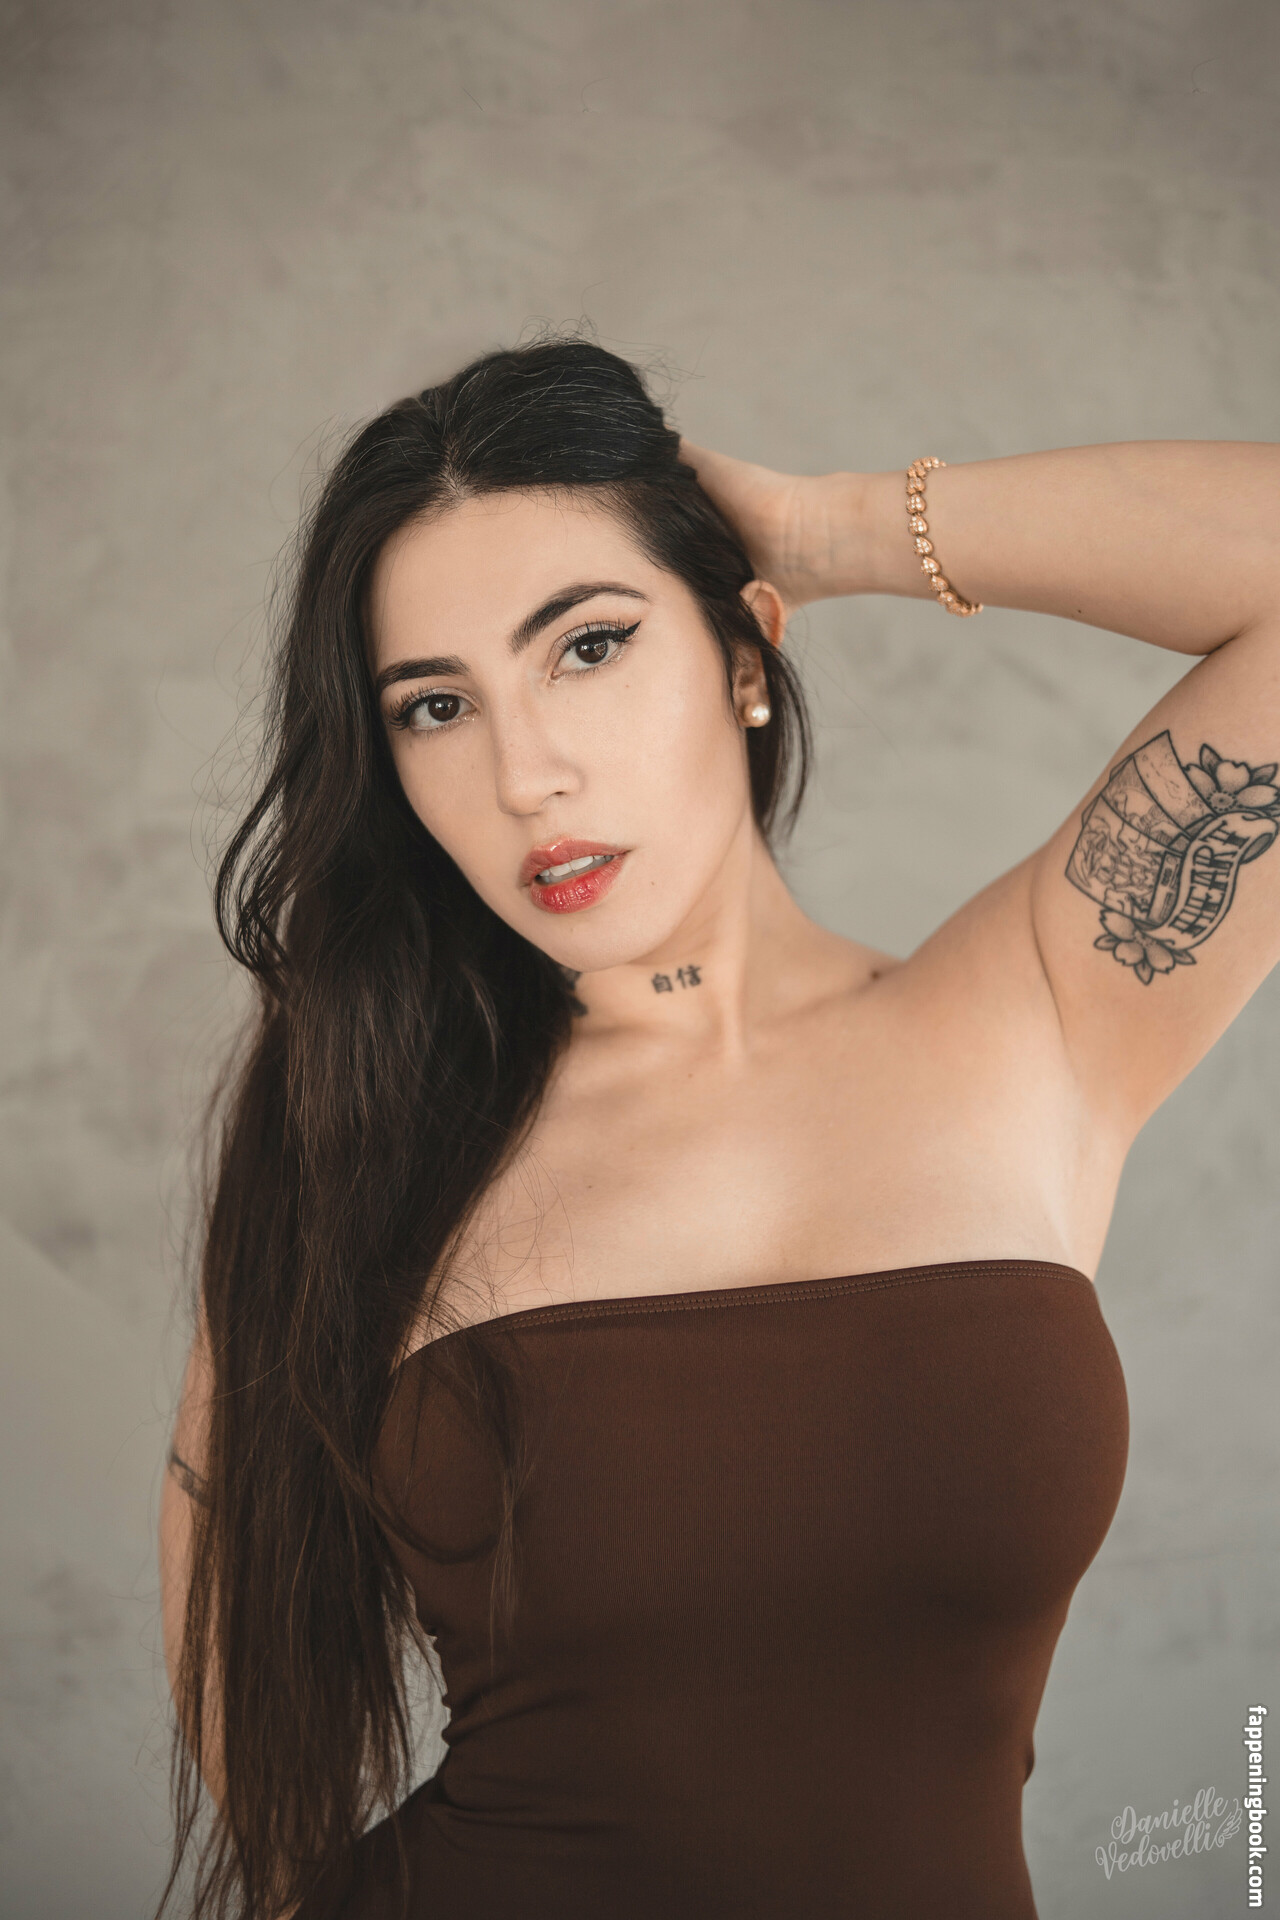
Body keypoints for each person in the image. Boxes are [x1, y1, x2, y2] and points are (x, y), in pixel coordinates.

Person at [158, 338, 1280, 1920]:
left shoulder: (1040, 1013)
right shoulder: (362, 1124)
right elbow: (230, 1602)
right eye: (436, 706)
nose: (527, 774)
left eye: (590, 646)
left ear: (745, 657)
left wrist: (830, 532)